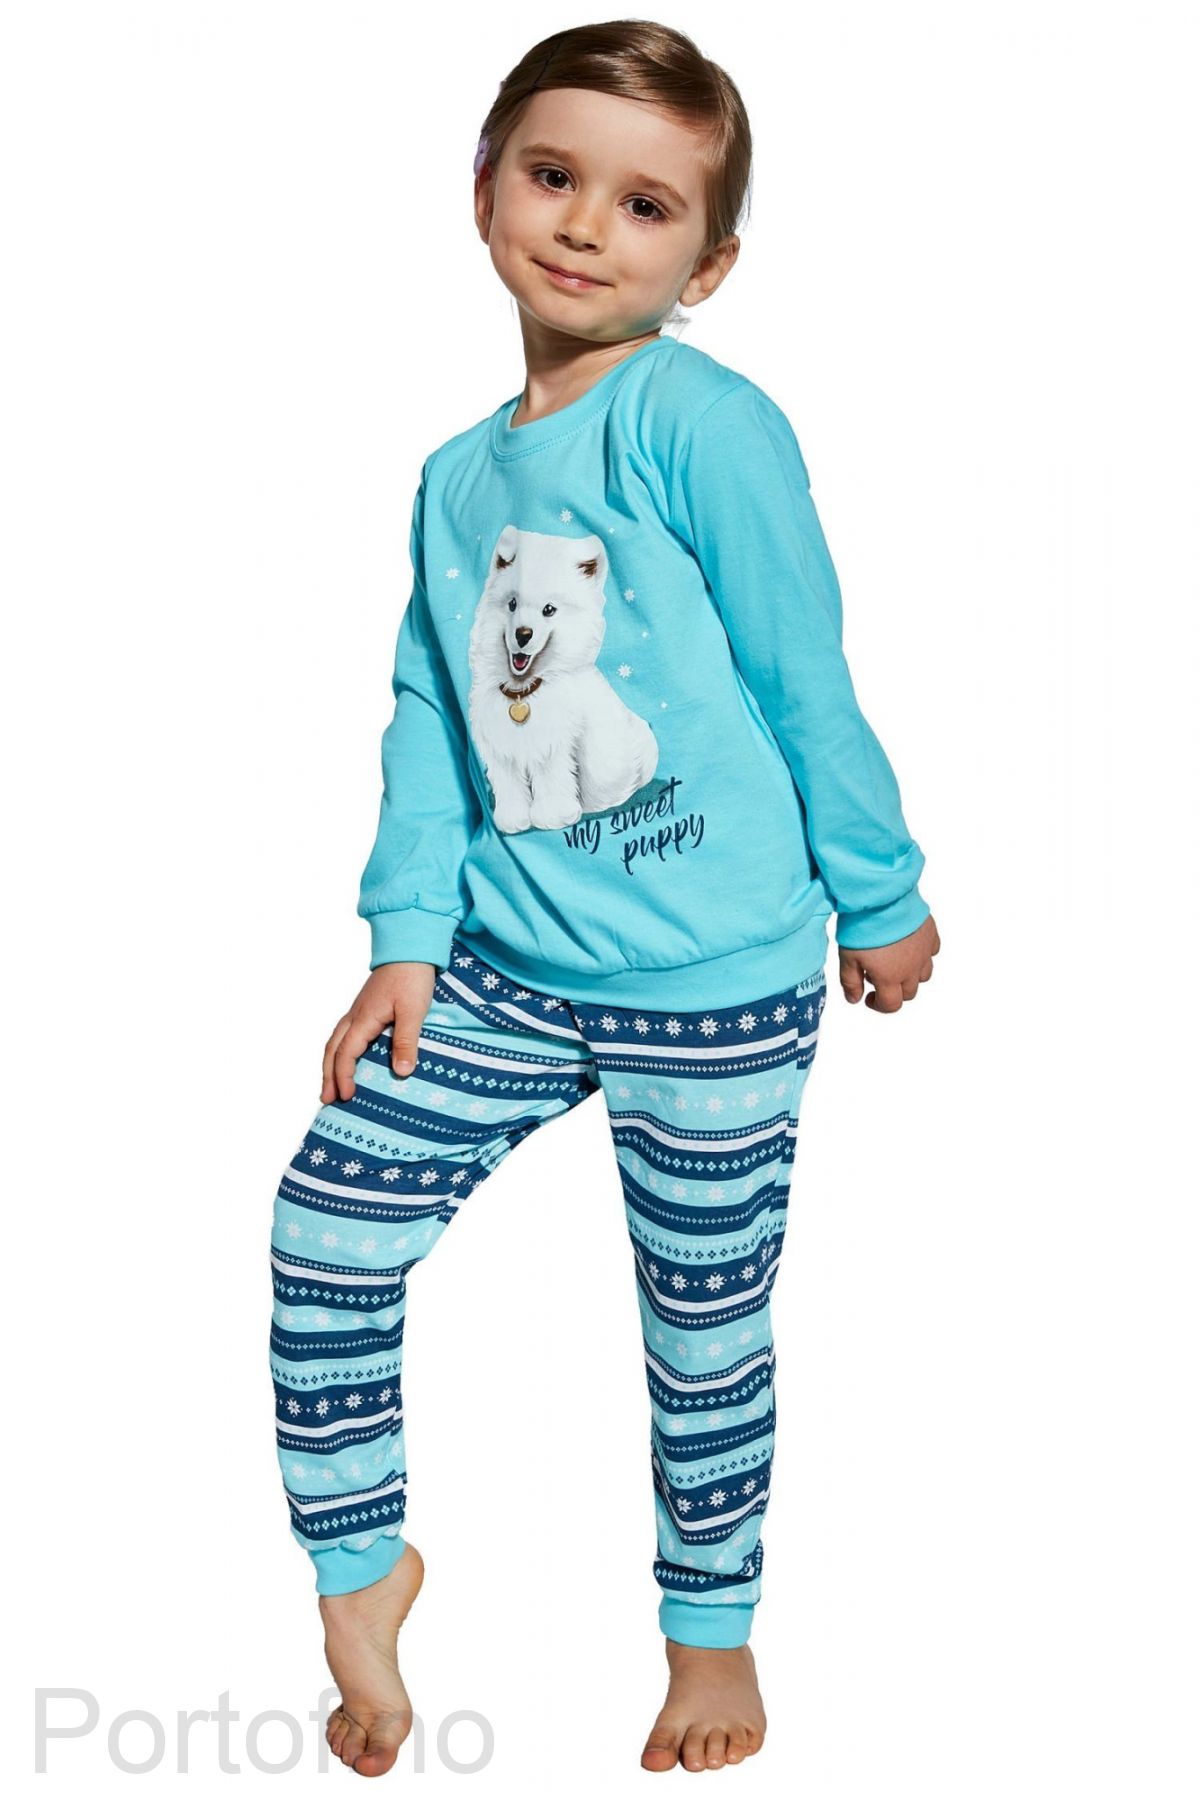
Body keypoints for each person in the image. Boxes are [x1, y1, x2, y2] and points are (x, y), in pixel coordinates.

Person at [268, 20, 940, 1778]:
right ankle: (362, 1566)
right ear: (483, 186)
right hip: (506, 964)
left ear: (706, 264)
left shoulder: (701, 424)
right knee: (327, 1232)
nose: (585, 225)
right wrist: (404, 943)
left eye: (646, 206)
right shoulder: (454, 478)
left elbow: (803, 667)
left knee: (701, 1327)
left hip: (716, 980)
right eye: (554, 176)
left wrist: (879, 889)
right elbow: (431, 714)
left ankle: (711, 1640)